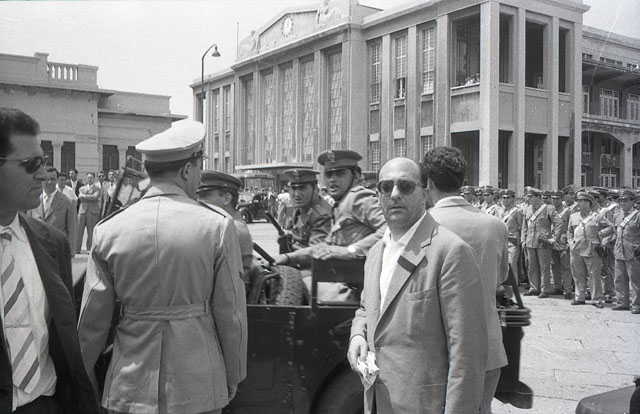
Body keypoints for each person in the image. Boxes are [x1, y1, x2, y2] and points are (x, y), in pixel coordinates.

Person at [78, 121, 247, 414]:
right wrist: (233, 375)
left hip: (128, 386)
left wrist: (84, 378)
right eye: (198, 169)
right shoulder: (217, 227)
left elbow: (92, 321)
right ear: (187, 171)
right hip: (198, 386)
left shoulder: (108, 230)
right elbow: (230, 315)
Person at [348, 157, 488, 414]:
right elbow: (367, 309)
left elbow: (467, 353)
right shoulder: (376, 253)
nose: (394, 194)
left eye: (405, 186)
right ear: (377, 195)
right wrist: (358, 334)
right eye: (386, 187)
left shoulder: (450, 251)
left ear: (425, 194)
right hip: (378, 402)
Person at [0, 108, 99, 413]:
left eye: (42, 162)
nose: (43, 175)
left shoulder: (51, 243)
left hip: (46, 402)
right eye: (31, 164)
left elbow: (62, 340)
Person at [424, 146, 508, 414]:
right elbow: (501, 278)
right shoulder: (495, 225)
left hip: (437, 352)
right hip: (488, 348)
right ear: (462, 180)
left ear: (428, 182)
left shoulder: (423, 224)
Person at [197, 170, 255, 278]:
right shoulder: (226, 226)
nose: (199, 201)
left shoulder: (231, 229)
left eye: (205, 196)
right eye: (198, 196)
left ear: (226, 198)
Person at [273, 169, 332, 268]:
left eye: (302, 188)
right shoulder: (302, 207)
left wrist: (287, 257)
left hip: (314, 270)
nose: (297, 194)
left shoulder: (322, 215)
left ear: (315, 189)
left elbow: (317, 252)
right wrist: (290, 236)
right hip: (298, 264)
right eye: (293, 188)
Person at [567, 191, 614, 308]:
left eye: (581, 201)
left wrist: (600, 236)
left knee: (594, 275)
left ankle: (596, 299)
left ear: (588, 202)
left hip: (591, 249)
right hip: (576, 249)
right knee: (578, 274)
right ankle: (579, 297)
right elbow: (569, 232)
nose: (578, 203)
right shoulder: (573, 216)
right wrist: (571, 243)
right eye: (578, 201)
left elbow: (611, 227)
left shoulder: (597, 216)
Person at [521, 187, 563, 298]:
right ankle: (534, 288)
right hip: (530, 241)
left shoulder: (548, 208)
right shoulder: (527, 209)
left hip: (543, 242)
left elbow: (558, 223)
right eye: (528, 196)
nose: (528, 199)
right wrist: (523, 239)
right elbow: (524, 226)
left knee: (544, 267)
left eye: (531, 196)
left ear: (538, 197)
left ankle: (545, 289)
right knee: (531, 266)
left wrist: (554, 238)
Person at [29, 166, 77, 253]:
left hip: (57, 250)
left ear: (57, 180)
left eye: (53, 179)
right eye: (46, 179)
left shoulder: (67, 202)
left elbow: (72, 230)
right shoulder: (33, 200)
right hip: (36, 249)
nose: (49, 182)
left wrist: (70, 252)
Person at [611, 190, 640, 314]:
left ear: (633, 201)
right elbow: (615, 231)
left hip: (633, 252)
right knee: (619, 279)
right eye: (621, 201)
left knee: (635, 280)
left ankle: (636, 305)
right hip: (619, 251)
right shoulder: (617, 215)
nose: (622, 203)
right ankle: (622, 302)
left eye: (626, 200)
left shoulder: (637, 216)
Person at [550, 190, 573, 298]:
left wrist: (568, 241)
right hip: (552, 239)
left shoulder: (568, 211)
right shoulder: (550, 210)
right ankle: (557, 287)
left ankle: (567, 289)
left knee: (565, 266)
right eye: (554, 199)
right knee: (554, 266)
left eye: (557, 199)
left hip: (563, 240)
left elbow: (570, 227)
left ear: (562, 199)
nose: (555, 201)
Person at [75, 172, 101, 253]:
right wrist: (88, 196)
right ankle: (77, 248)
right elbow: (80, 197)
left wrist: (84, 196)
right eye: (88, 178)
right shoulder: (81, 188)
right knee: (79, 230)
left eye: (91, 178)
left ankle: (89, 249)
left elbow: (95, 197)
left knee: (91, 231)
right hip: (82, 211)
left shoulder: (97, 188)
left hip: (92, 211)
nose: (89, 179)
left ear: (94, 179)